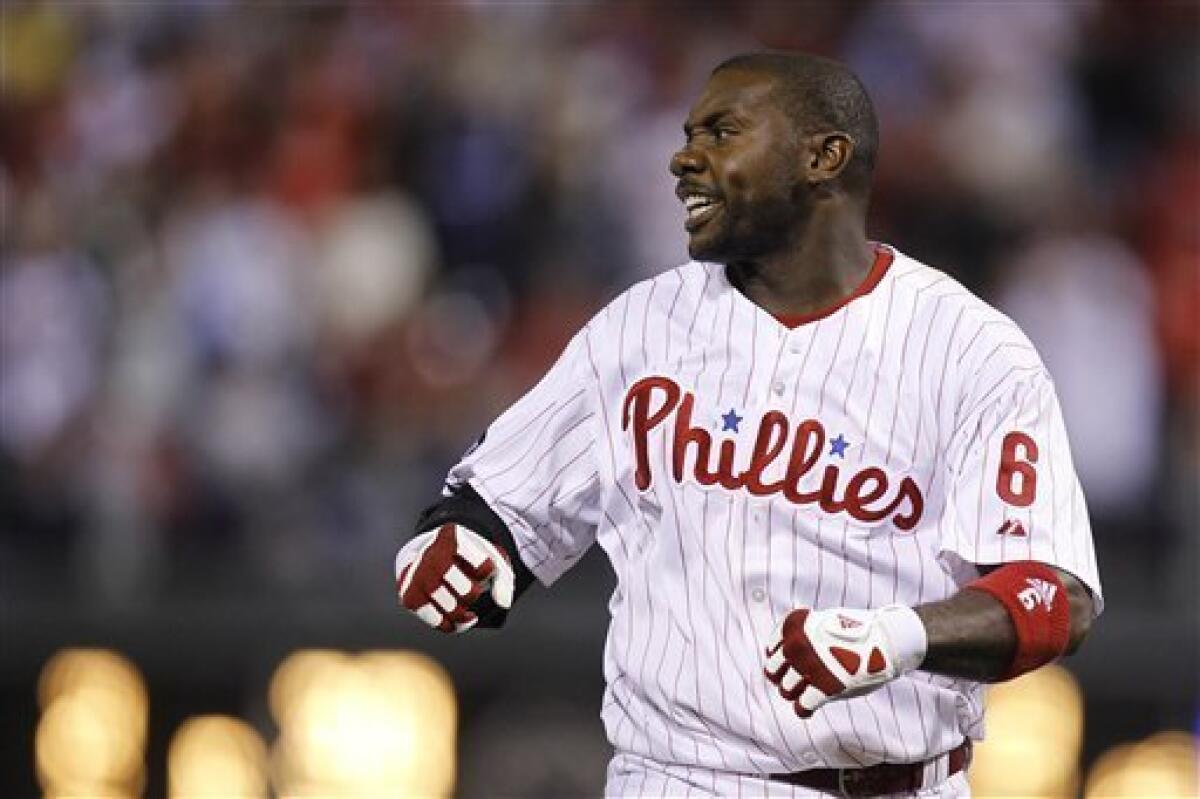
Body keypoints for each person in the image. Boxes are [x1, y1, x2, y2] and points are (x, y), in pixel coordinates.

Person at [394, 51, 1102, 798]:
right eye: (690, 132)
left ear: (823, 157)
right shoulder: (639, 328)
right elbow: (499, 506)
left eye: (723, 132)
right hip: (676, 778)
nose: (683, 158)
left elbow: (1055, 595)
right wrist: (465, 545)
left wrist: (903, 635)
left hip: (898, 782)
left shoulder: (966, 348)